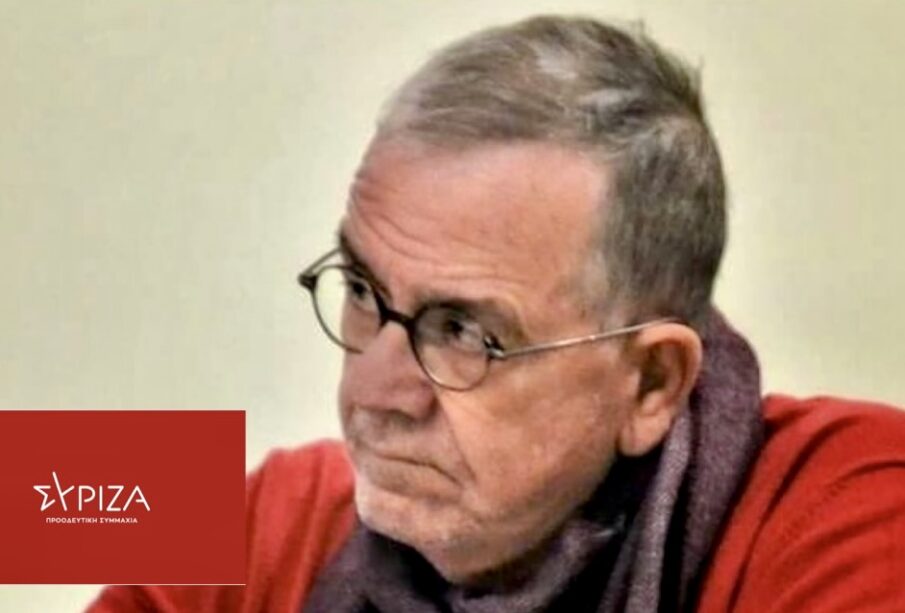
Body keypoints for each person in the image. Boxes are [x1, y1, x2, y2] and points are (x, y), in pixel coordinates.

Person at [89, 15, 905, 613]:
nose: (373, 393)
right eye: (364, 292)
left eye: (463, 332)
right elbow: (52, 495)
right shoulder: (290, 504)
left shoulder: (855, 503)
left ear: (651, 383)